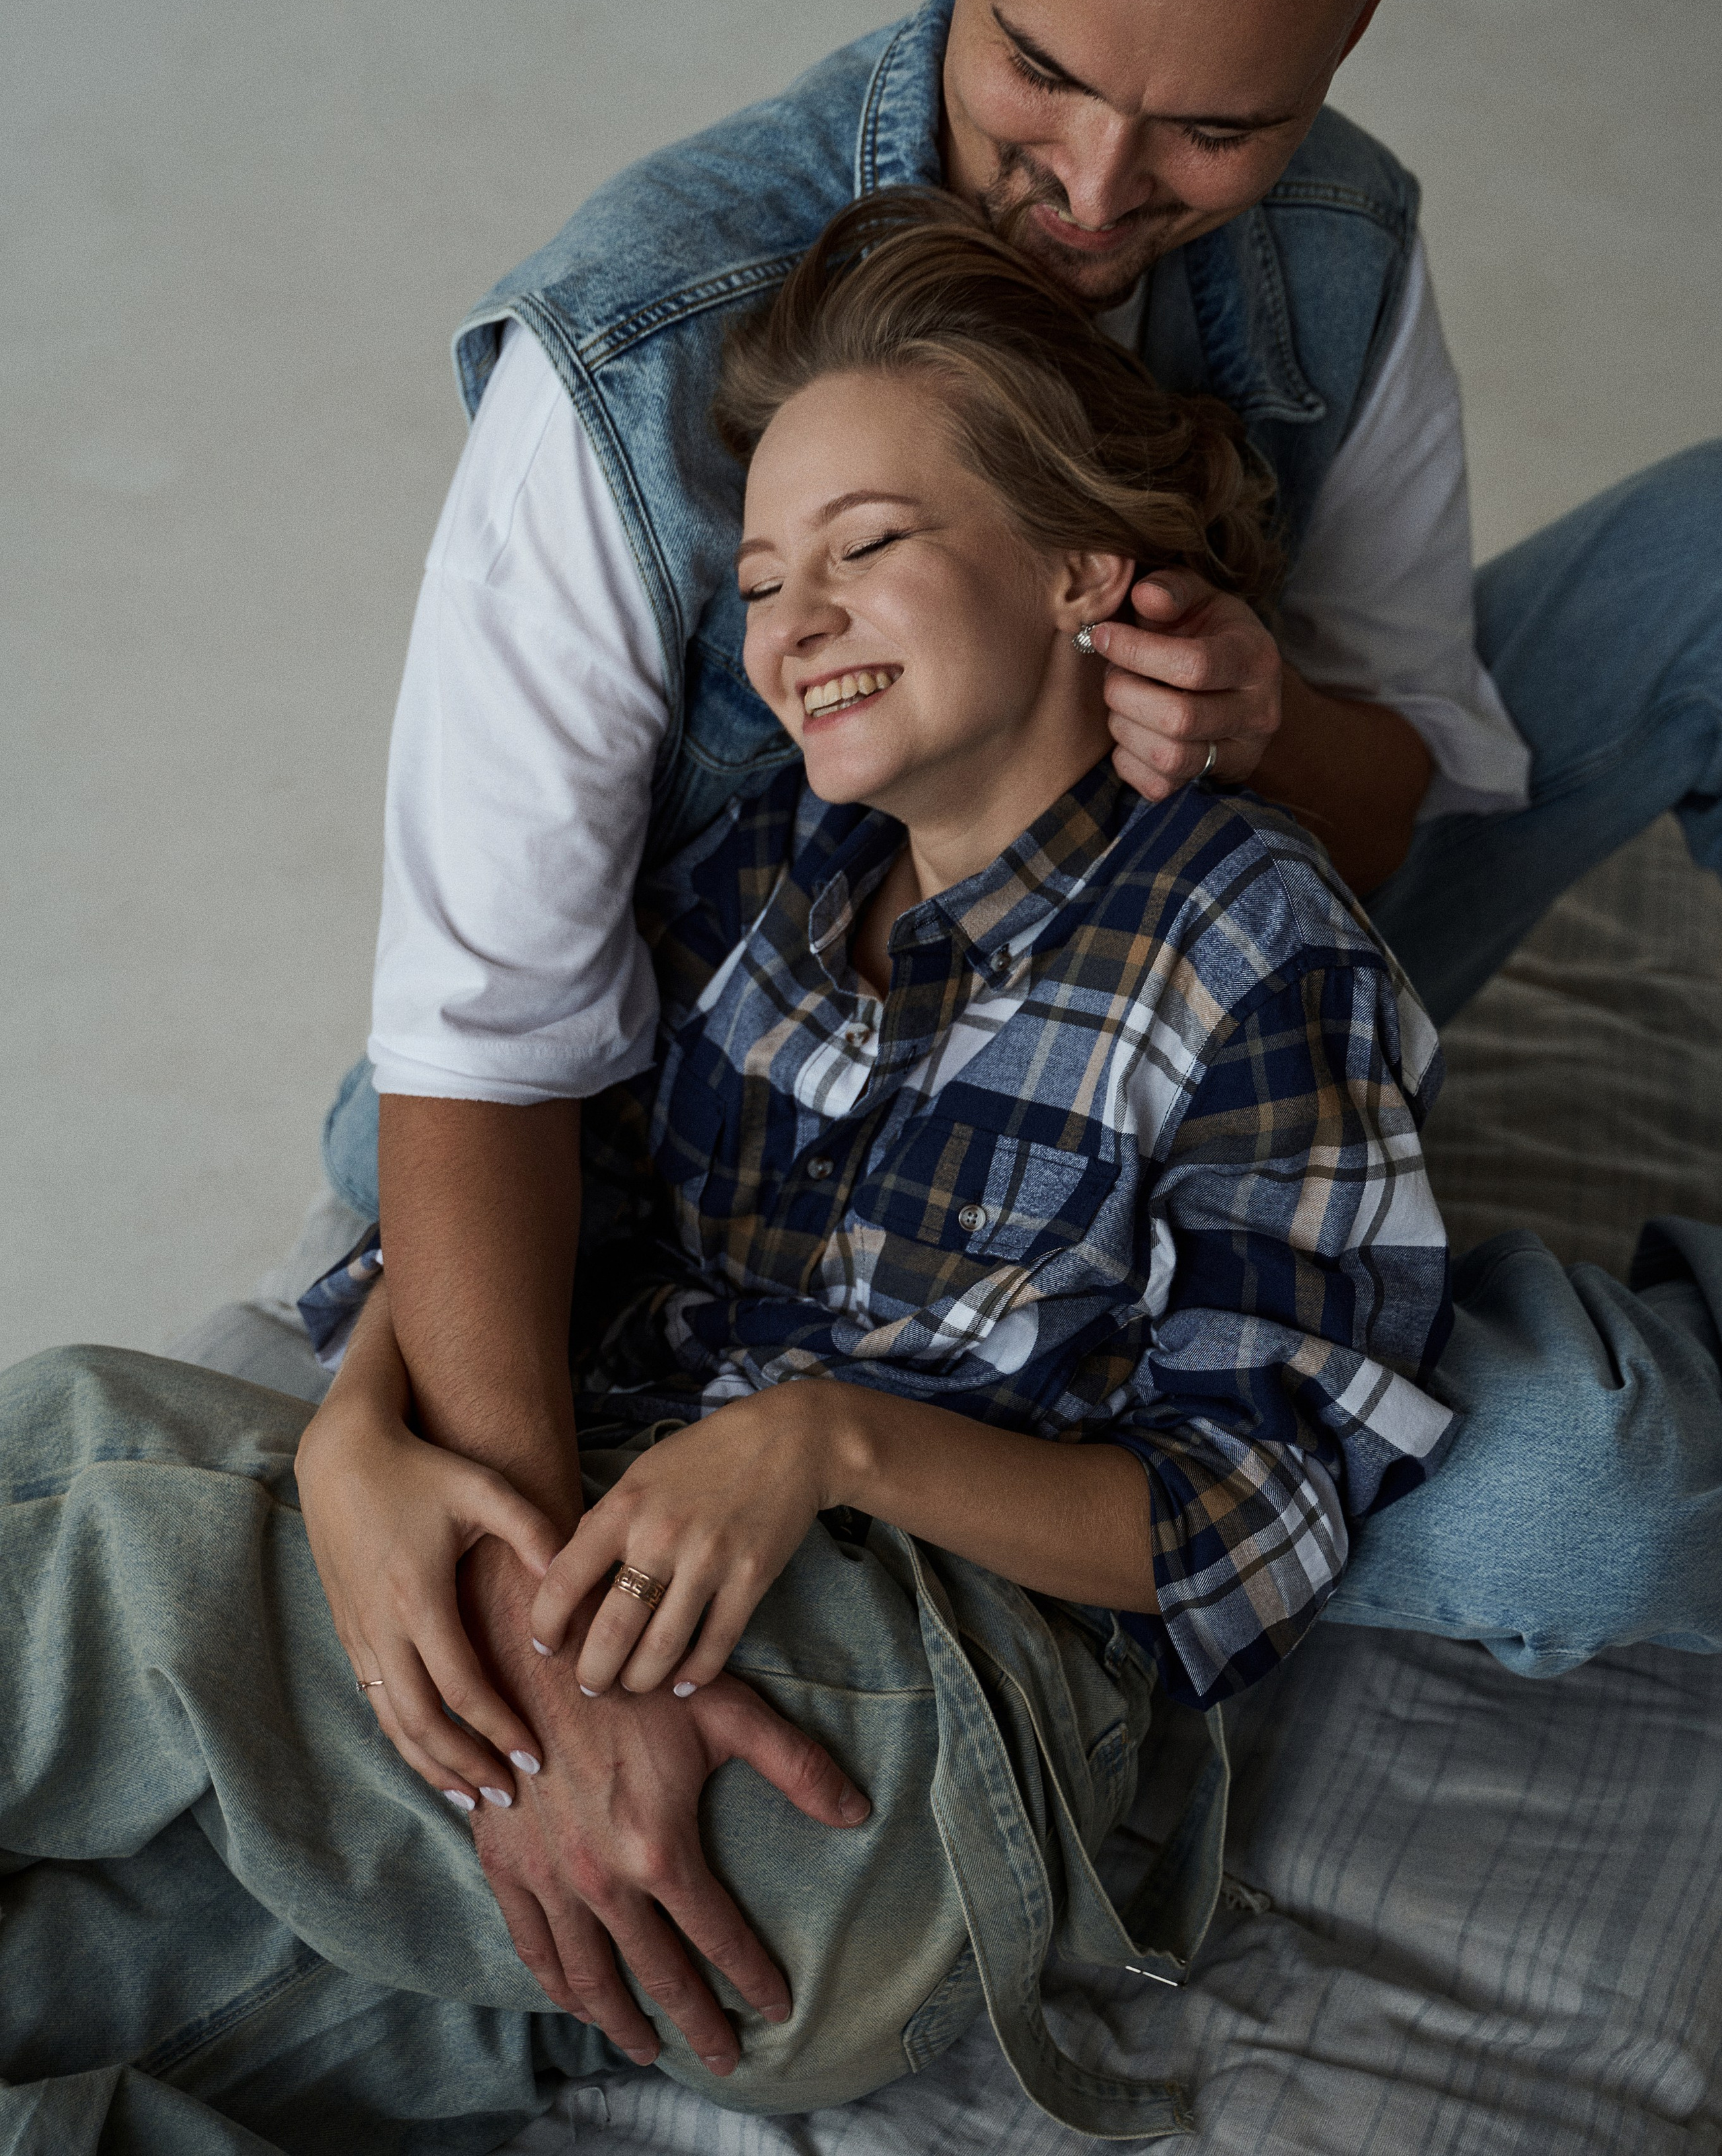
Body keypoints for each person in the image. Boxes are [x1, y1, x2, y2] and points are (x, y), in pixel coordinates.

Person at [302, 0, 1722, 2110]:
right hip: (859, 1186)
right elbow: (489, 1042)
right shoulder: (626, 363)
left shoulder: (1341, 250)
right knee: (1571, 1510)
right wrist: (551, 1658)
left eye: (1210, 128)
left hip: (1236, 941)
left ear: (1360, 19)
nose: (1091, 187)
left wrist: (1273, 721)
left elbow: (1407, 796)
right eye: (1041, 75)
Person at [3, 194, 1459, 2151]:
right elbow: (542, 1223)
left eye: (868, 548)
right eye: (765, 581)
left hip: (895, 1774)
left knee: (87, 1488)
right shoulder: (769, 877)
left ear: (1076, 574)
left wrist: (824, 1444)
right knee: (103, 1989)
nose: (796, 629)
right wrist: (357, 1430)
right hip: (640, 1782)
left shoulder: (1250, 941)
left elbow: (1257, 1519)